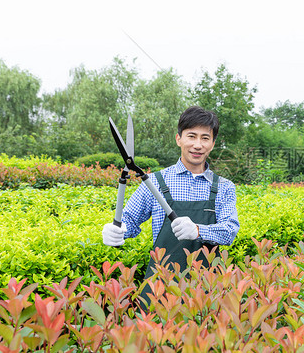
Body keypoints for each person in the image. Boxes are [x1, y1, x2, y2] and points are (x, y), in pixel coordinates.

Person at [102, 106, 239, 304]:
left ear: (213, 143)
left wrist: (198, 230)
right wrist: (118, 229)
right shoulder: (155, 181)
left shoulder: (224, 187)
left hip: (206, 290)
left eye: (205, 138)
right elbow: (130, 219)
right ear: (179, 139)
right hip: (160, 288)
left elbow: (230, 230)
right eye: (191, 136)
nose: (197, 145)